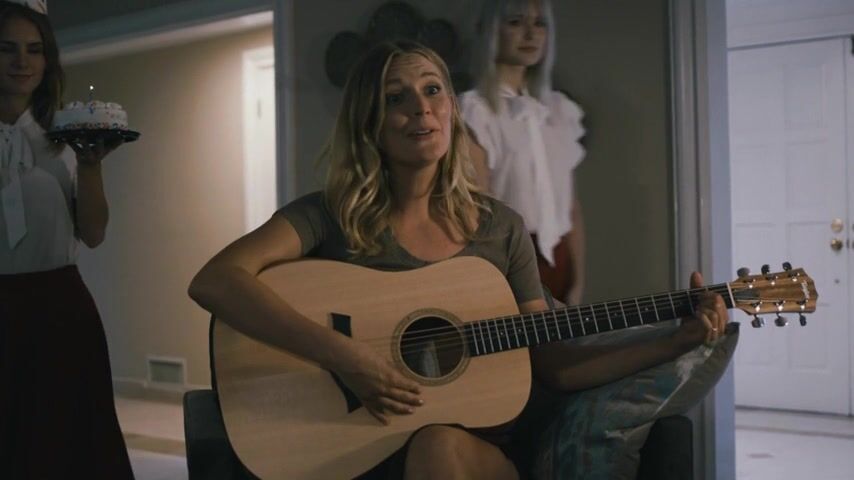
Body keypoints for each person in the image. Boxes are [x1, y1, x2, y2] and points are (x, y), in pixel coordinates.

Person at [188, 40, 728, 480]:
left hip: (468, 457)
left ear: (451, 108)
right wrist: (344, 356)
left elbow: (556, 366)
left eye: (433, 90)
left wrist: (675, 340)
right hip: (350, 447)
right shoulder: (328, 216)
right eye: (396, 97)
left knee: (438, 447)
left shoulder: (500, 229)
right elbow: (215, 280)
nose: (421, 107)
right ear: (369, 120)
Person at [0, 1, 133, 478]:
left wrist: (92, 166)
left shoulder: (66, 139)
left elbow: (93, 234)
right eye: (7, 48)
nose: (22, 61)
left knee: (65, 446)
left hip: (58, 310)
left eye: (34, 49)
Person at [461, 0, 585, 306]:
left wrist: (578, 281)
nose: (531, 34)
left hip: (559, 257)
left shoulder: (558, 110)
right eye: (516, 22)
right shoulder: (476, 111)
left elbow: (570, 207)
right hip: (510, 257)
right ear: (492, 30)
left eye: (539, 24)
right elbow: (479, 209)